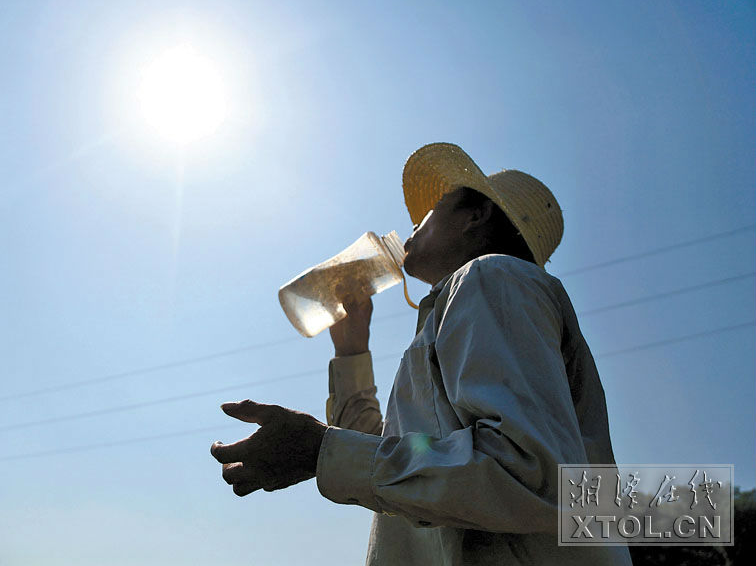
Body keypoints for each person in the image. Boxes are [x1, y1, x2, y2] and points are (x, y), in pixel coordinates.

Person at [210, 143, 631, 565]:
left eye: (439, 203)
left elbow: (527, 471)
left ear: (475, 216)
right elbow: (394, 458)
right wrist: (352, 350)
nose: (419, 217)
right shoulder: (465, 305)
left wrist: (319, 451)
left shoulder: (493, 276)